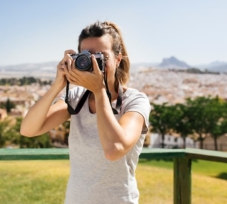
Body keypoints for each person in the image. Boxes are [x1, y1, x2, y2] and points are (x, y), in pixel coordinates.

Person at [20, 21, 150, 204]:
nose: (94, 63)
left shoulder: (135, 102)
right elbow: (28, 129)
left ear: (118, 59)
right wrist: (59, 84)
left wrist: (99, 91)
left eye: (101, 57)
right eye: (87, 57)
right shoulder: (76, 99)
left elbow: (114, 150)